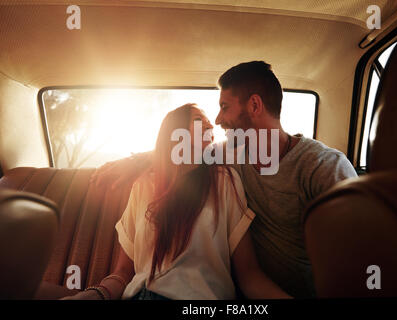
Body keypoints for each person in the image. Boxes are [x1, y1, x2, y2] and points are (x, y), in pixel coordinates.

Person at [91, 61, 358, 298]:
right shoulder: (230, 156)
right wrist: (134, 161)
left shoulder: (322, 166)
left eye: (224, 107)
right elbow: (179, 152)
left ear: (254, 105)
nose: (218, 121)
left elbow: (358, 250)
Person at [63, 104, 292, 300]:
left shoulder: (224, 181)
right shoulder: (143, 185)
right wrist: (96, 293)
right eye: (199, 120)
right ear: (176, 132)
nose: (211, 125)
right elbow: (123, 273)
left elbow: (249, 275)